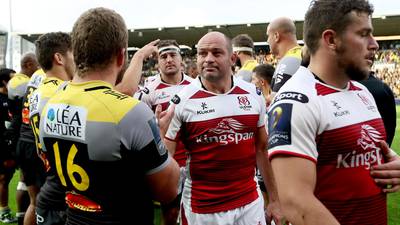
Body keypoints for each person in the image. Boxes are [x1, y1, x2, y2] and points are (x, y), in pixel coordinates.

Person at [38, 7, 179, 225]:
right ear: (121, 56)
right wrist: (160, 136)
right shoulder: (131, 112)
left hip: (73, 218)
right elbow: (167, 190)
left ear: (76, 53)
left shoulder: (50, 103)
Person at [267, 0, 400, 224]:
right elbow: (295, 202)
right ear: (331, 39)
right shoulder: (296, 100)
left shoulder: (362, 92)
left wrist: (394, 163)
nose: (374, 44)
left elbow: (361, 153)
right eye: (364, 34)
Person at [164, 31, 282, 225]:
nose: (208, 59)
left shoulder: (253, 94)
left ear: (232, 58)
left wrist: (275, 201)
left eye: (216, 53)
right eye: (202, 53)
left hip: (249, 204)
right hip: (203, 210)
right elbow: (167, 156)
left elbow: (261, 148)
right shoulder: (182, 101)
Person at [134, 39, 192, 225]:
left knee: (195, 211)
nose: (168, 60)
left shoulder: (195, 86)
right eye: (163, 56)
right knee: (171, 212)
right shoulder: (148, 92)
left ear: (181, 59)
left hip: (194, 161)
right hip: (166, 162)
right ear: (157, 62)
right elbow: (136, 127)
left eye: (172, 55)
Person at [7, 53, 39, 225]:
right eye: (37, 65)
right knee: (33, 191)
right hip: (25, 136)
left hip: (21, 136)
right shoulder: (22, 82)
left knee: (24, 181)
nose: (39, 69)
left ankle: (21, 215)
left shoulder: (17, 81)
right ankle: (23, 215)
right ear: (28, 64)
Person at [266, 17, 302, 100]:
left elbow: (275, 100)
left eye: (268, 36)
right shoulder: (301, 54)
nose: (267, 41)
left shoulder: (289, 60)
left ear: (276, 36)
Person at [359, 71, 397, 146]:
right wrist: (388, 144)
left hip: (359, 144)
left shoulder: (351, 86)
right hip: (381, 144)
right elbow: (391, 122)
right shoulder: (383, 87)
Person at [0, 68, 18, 223]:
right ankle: (4, 211)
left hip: (16, 145)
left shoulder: (14, 98)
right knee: (3, 178)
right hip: (4, 148)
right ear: (5, 82)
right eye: (13, 78)